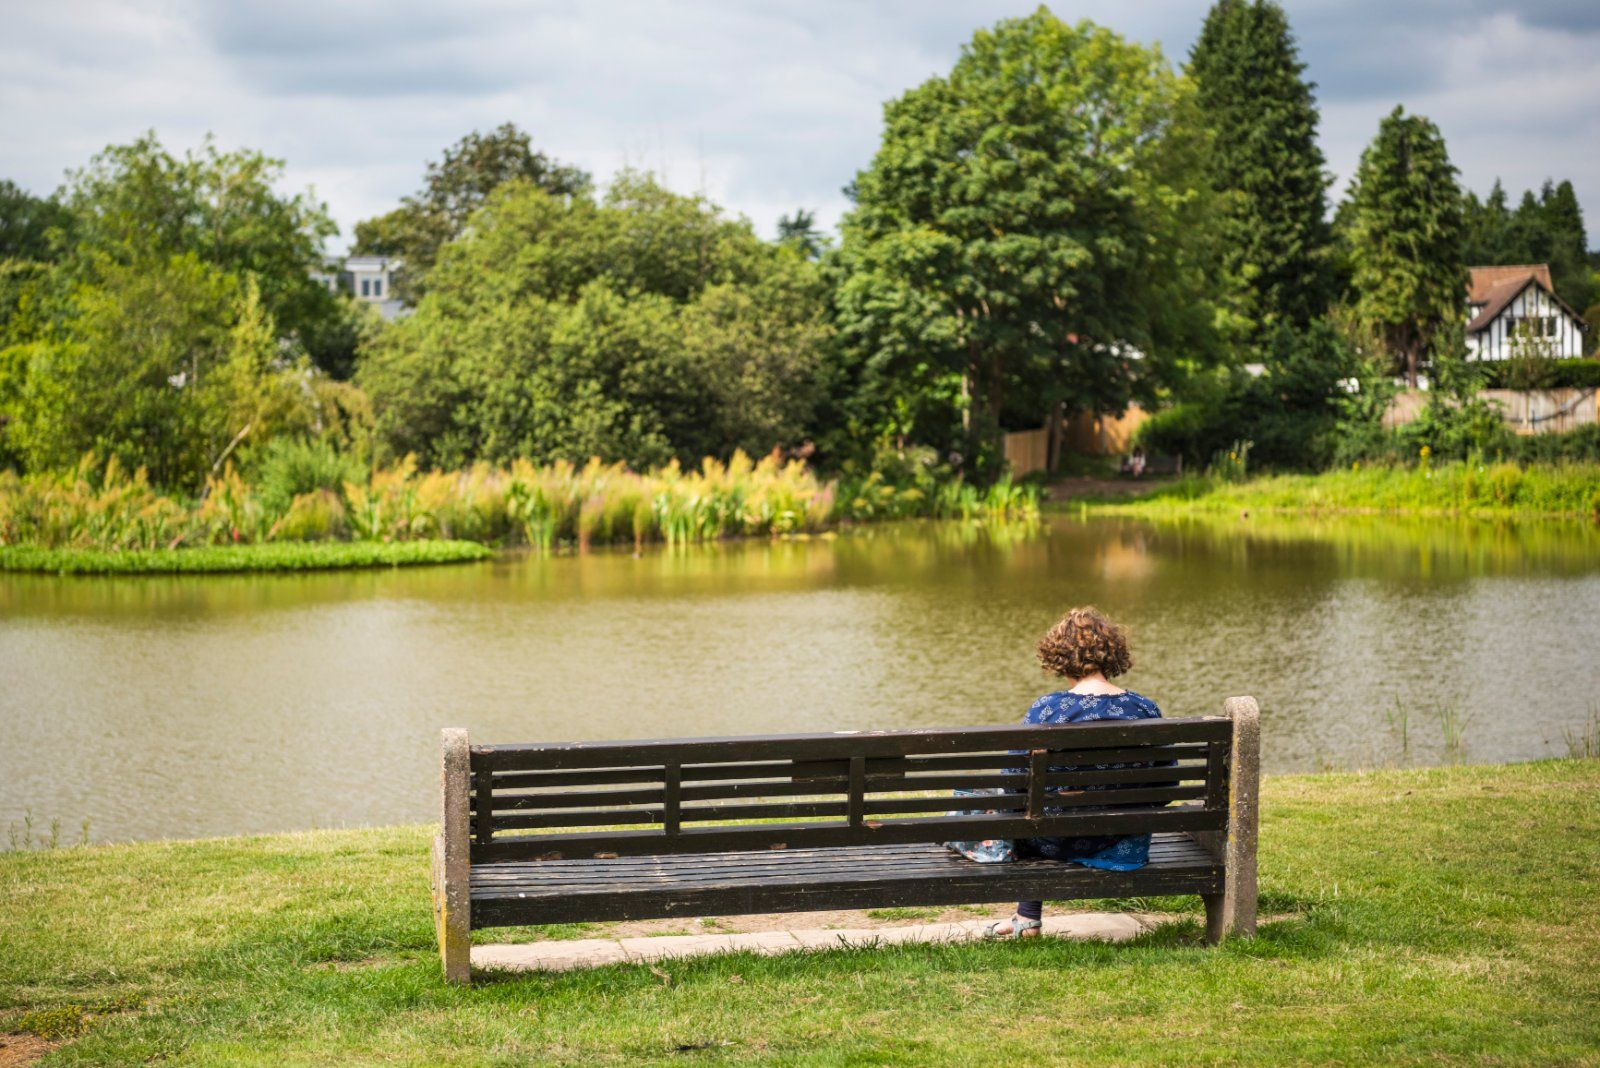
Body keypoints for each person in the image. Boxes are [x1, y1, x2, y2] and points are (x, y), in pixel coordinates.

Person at [984, 606, 1162, 939]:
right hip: (1127, 842)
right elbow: (1167, 784)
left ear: (1059, 656)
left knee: (1021, 816)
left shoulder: (1048, 710)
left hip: (1056, 841)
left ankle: (1027, 918)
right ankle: (1025, 918)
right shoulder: (1144, 708)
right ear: (1113, 653)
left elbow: (1013, 782)